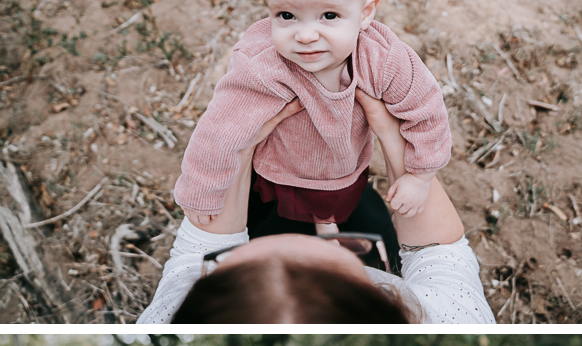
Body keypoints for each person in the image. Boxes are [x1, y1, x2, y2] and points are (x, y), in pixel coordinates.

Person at [174, 0, 452, 237]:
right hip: (281, 167)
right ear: (270, 6)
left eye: (329, 15)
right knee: (275, 214)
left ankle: (328, 223)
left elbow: (427, 111)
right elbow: (221, 128)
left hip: (345, 167)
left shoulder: (382, 59)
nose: (305, 35)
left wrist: (420, 176)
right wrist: (201, 188)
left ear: (365, 13)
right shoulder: (263, 64)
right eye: (287, 15)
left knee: (339, 202)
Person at [136, 91, 495, 324]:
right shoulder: (447, 317)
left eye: (228, 261)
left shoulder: (172, 314)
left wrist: (240, 146)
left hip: (265, 211)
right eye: (344, 254)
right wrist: (391, 133)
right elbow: (438, 251)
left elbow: (200, 248)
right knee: (364, 206)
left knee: (265, 196)